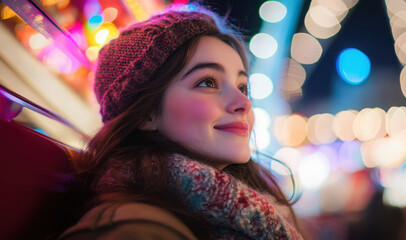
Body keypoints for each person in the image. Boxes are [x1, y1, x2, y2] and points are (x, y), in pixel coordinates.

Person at [59, 5, 303, 240]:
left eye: (242, 87)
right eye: (208, 82)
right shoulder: (132, 230)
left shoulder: (247, 214)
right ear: (146, 113)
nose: (244, 103)